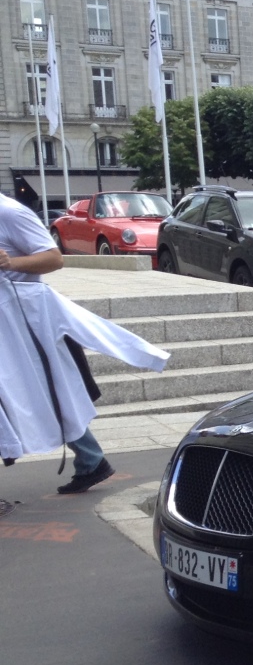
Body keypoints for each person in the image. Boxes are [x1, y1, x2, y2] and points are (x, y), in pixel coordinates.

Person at [1, 190, 166, 493]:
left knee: (47, 391)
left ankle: (91, 459)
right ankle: (91, 459)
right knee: (37, 394)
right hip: (9, 325)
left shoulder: (10, 213)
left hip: (28, 325)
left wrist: (10, 263)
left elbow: (53, 258)